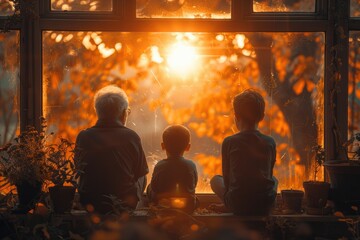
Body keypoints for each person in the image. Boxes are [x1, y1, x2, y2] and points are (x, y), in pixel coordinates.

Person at [75, 85, 149, 214]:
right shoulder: (131, 136)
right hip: (123, 204)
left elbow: (78, 170)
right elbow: (140, 173)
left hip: (90, 204)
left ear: (97, 111)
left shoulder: (84, 136)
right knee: (142, 173)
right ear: (124, 112)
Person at [210, 89, 277, 215]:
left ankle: (228, 205)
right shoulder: (270, 142)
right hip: (264, 205)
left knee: (215, 180)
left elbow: (228, 180)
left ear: (236, 117)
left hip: (238, 204)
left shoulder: (229, 142)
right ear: (262, 117)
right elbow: (269, 173)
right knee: (275, 179)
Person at [146, 125, 198, 212]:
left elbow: (155, 188)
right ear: (188, 147)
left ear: (163, 146)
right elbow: (193, 185)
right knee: (193, 198)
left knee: (150, 187)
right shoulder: (191, 165)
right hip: (187, 205)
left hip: (164, 204)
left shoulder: (160, 165)